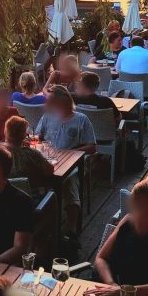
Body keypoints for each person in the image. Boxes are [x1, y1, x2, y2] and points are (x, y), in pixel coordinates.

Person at [85, 179, 148, 296]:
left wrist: (124, 291)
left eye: (147, 211)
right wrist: (111, 284)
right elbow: (101, 258)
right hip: (109, 293)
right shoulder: (127, 221)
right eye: (137, 208)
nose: (140, 215)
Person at [33, 87, 96, 240]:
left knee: (68, 182)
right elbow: (37, 137)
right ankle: (40, 223)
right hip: (48, 160)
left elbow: (92, 147)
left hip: (73, 164)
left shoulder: (81, 119)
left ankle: (71, 228)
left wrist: (71, 153)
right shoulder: (48, 117)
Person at [3, 115, 55, 192]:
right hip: (31, 198)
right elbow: (50, 170)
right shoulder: (32, 153)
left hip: (5, 197)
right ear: (24, 135)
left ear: (6, 132)